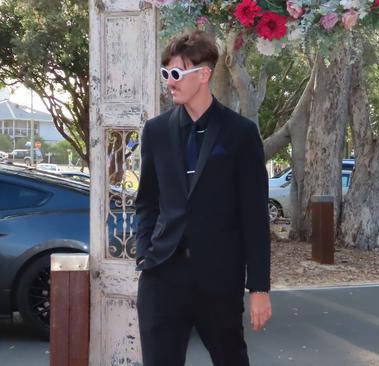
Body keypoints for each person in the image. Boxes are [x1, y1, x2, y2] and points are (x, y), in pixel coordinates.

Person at [134, 30, 271, 366]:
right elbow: (147, 202)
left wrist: (259, 288)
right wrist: (145, 254)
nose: (169, 82)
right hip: (162, 274)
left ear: (204, 74)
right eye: (166, 73)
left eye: (177, 73)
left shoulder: (240, 133)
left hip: (218, 278)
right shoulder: (155, 132)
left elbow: (254, 215)